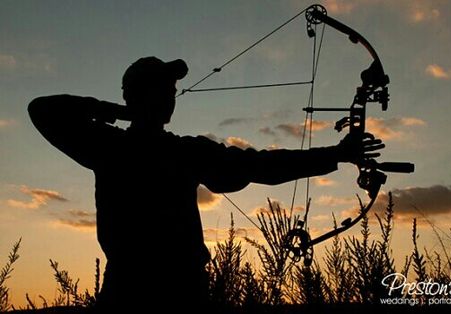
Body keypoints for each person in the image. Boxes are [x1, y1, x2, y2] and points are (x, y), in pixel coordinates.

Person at [28, 57, 384, 312]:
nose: (171, 97)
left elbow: (261, 166)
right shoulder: (113, 146)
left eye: (171, 90)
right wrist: (119, 112)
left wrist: (335, 154)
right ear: (138, 96)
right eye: (162, 90)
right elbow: (41, 108)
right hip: (139, 290)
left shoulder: (166, 150)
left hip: (176, 291)